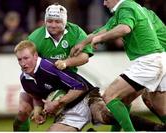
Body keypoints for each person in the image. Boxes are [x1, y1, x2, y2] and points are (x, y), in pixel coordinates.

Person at [14, 40, 166, 131]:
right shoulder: (25, 79)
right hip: (67, 111)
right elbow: (36, 96)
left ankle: (156, 128)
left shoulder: (48, 66)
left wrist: (57, 103)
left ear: (35, 56)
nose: (23, 63)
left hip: (87, 98)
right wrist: (38, 111)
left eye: (26, 58)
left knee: (107, 116)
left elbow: (80, 87)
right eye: (19, 59)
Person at [70, 0, 166, 131]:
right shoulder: (132, 10)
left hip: (150, 61)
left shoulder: (126, 7)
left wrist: (99, 39)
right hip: (159, 60)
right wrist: (82, 43)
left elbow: (124, 28)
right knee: (137, 101)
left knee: (109, 96)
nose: (104, 4)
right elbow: (102, 30)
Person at [13, 3, 93, 131]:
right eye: (49, 21)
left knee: (95, 112)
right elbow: (28, 66)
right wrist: (38, 107)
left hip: (66, 82)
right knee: (23, 111)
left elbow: (85, 57)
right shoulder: (35, 37)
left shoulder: (76, 31)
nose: (53, 25)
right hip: (39, 81)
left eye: (57, 21)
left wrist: (66, 63)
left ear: (65, 21)